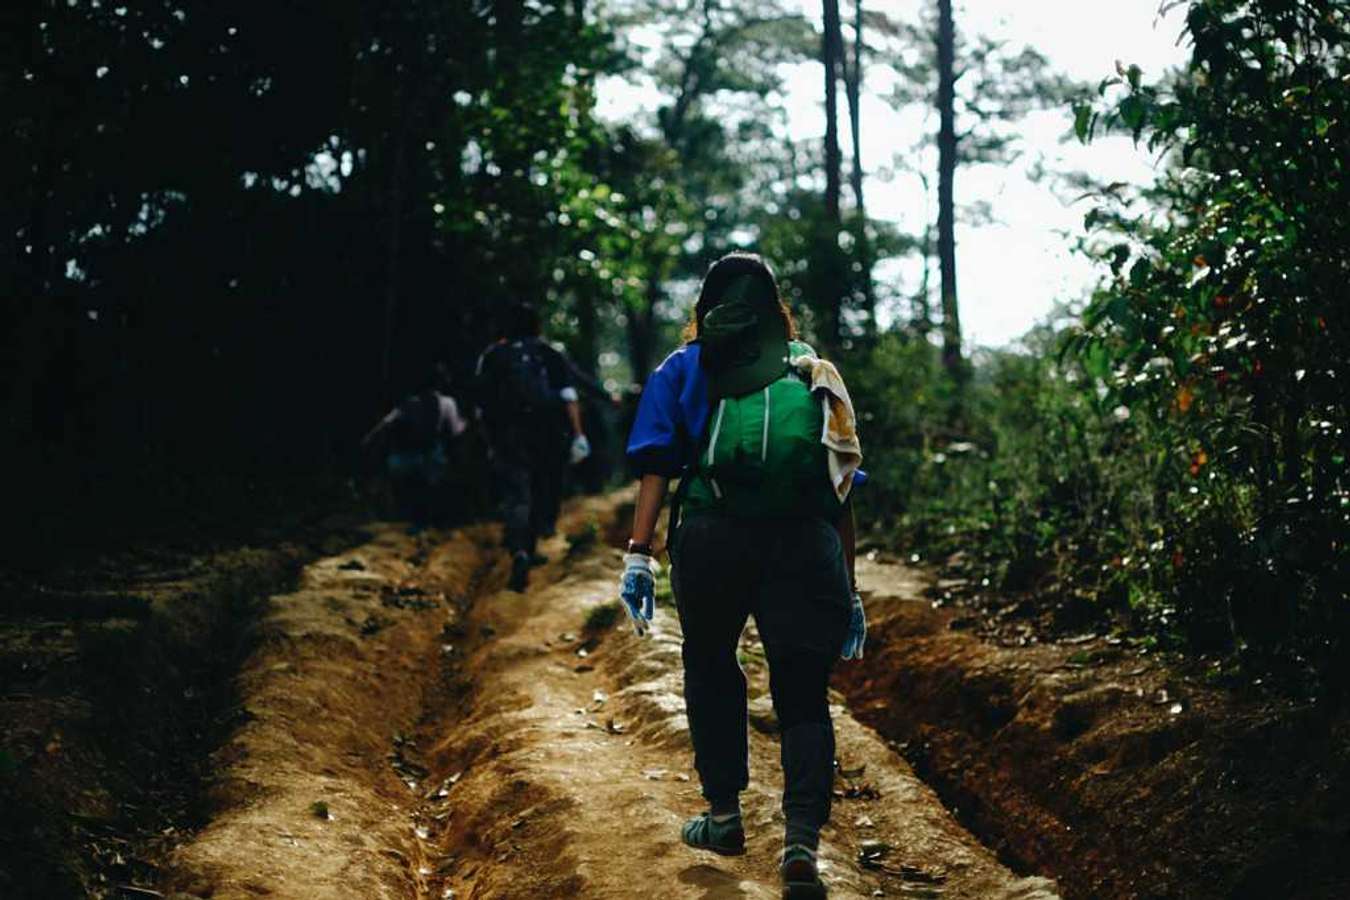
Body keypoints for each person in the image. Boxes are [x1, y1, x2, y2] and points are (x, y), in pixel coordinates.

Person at [618, 252, 868, 899]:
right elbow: (840, 481)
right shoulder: (809, 366)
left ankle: (725, 817)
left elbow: (656, 467)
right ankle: (801, 844)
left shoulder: (682, 367)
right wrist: (850, 584)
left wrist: (639, 553)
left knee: (709, 662)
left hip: (710, 538)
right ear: (776, 308)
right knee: (803, 691)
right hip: (804, 542)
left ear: (705, 308)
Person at [475, 303, 591, 591]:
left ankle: (519, 551)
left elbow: (479, 400)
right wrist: (578, 433)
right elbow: (570, 392)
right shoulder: (548, 352)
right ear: (537, 325)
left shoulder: (493, 354)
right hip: (546, 434)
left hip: (506, 435)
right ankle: (532, 543)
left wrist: (488, 438)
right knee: (541, 489)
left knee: (516, 494)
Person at [361, 365, 468, 531]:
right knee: (438, 469)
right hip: (430, 460)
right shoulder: (446, 403)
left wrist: (368, 443)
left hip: (403, 460)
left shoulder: (408, 403)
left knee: (410, 489)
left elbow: (383, 426)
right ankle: (436, 520)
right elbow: (456, 432)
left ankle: (411, 519)